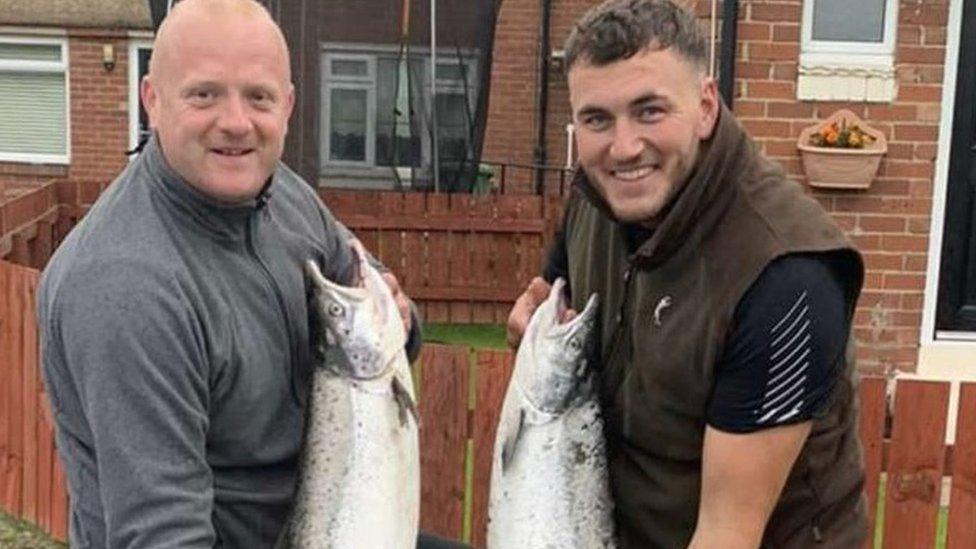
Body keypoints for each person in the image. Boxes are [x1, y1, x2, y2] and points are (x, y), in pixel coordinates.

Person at [36, 1, 468, 547]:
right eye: (204, 94)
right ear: (153, 100)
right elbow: (163, 535)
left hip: (328, 516)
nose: (236, 122)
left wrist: (397, 322)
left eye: (258, 96)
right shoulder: (125, 288)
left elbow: (365, 288)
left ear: (287, 106)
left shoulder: (281, 192)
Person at [506, 1, 868, 547]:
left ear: (705, 107)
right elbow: (557, 323)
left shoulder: (787, 278)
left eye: (649, 111)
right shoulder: (594, 202)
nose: (623, 148)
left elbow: (728, 532)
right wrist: (535, 337)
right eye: (596, 119)